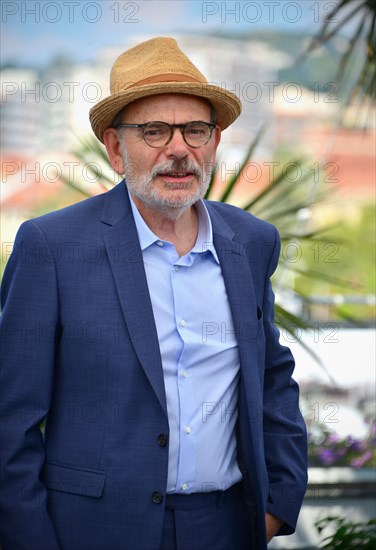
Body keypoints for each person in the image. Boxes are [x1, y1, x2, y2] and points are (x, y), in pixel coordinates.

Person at [0, 37, 307, 550]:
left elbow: (273, 378)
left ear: (214, 143)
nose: (179, 149)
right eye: (154, 132)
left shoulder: (251, 243)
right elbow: (10, 423)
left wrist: (279, 503)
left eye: (195, 130)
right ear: (117, 149)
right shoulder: (51, 246)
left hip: (227, 526)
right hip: (93, 532)